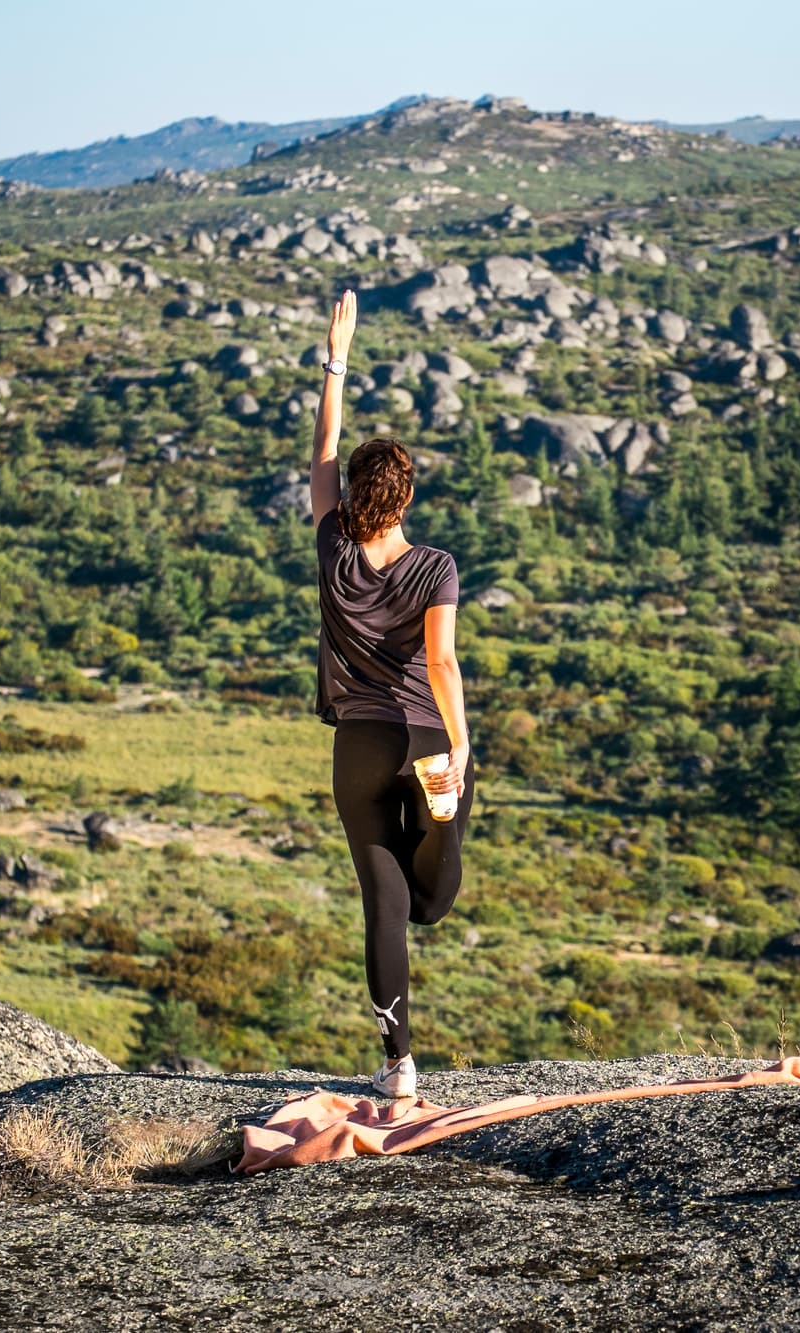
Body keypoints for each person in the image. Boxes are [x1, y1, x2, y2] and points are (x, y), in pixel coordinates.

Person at [309, 289, 474, 1101]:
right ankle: (444, 817)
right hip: (425, 737)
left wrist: (334, 359)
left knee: (385, 903)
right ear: (405, 500)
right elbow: (440, 664)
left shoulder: (332, 544)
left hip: (359, 743)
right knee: (434, 900)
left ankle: (397, 1066)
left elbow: (326, 445)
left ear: (353, 498)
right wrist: (461, 744)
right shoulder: (434, 565)